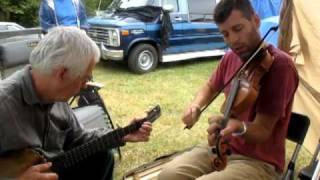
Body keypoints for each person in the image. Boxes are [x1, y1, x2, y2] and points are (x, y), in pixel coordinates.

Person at [158, 0, 299, 179]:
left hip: (258, 161)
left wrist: (236, 126)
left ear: (256, 21)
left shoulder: (280, 66)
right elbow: (210, 86)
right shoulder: (230, 57)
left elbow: (263, 130)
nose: (232, 39)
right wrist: (196, 106)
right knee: (168, 175)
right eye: (225, 34)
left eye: (238, 29)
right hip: (222, 147)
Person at [0, 26, 152, 180]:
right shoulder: (4, 105)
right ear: (62, 74)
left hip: (57, 168)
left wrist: (122, 135)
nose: (85, 85)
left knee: (102, 157)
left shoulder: (57, 95)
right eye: (85, 78)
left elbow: (78, 138)